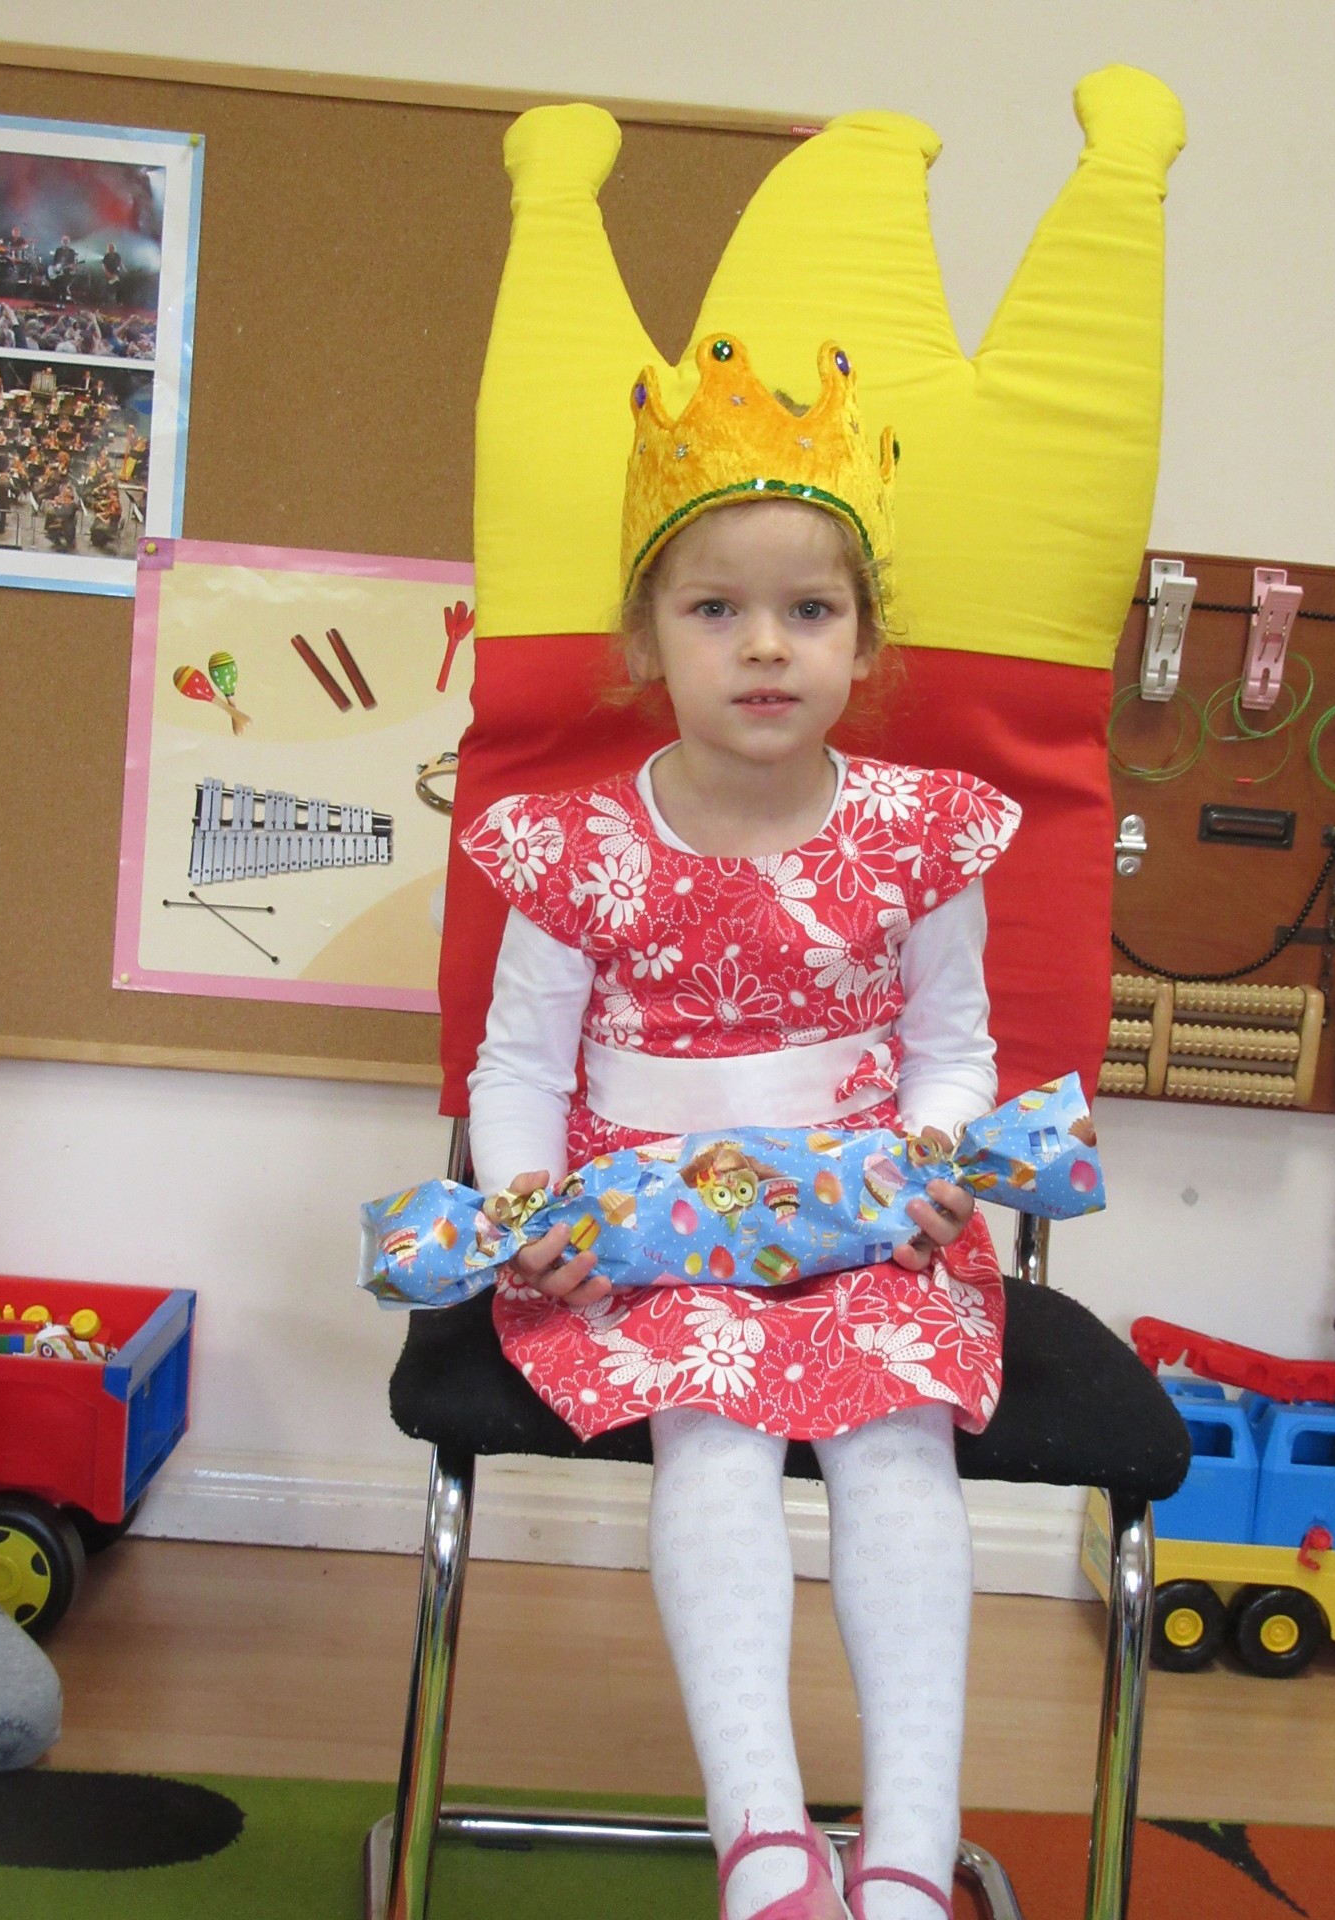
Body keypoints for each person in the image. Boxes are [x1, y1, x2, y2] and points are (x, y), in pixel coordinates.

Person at [457, 335, 1020, 1920]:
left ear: (863, 639)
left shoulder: (918, 837)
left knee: (894, 1444)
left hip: (865, 1219)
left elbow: (956, 1052)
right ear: (647, 637)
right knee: (714, 1441)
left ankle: (907, 1849)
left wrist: (933, 1163)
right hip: (650, 1231)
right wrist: (532, 1212)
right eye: (715, 609)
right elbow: (515, 1071)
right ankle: (762, 1838)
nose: (766, 647)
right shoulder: (578, 849)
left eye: (809, 611)